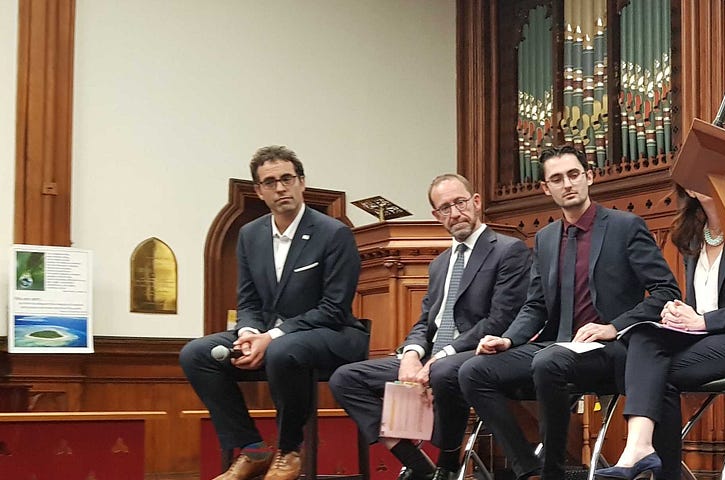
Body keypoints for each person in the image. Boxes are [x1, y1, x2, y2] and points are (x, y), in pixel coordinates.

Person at [460, 144, 680, 480]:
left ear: (589, 177)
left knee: (549, 362)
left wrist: (613, 326)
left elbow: (666, 293)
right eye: (558, 178)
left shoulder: (625, 226)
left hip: (613, 348)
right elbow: (535, 305)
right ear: (546, 188)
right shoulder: (546, 238)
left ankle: (554, 471)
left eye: (574, 174)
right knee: (473, 371)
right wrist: (507, 340)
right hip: (557, 344)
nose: (568, 183)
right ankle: (528, 468)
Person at [179, 145, 369, 480]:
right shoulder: (250, 235)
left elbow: (333, 307)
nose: (280, 187)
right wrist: (249, 333)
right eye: (270, 182)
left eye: (287, 178)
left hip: (335, 334)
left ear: (301, 182)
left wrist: (272, 337)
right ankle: (252, 449)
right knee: (196, 354)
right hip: (271, 335)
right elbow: (248, 301)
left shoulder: (333, 233)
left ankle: (288, 451)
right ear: (259, 191)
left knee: (283, 350)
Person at [328, 174, 532, 480]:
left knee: (443, 370)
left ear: (475, 202)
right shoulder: (439, 264)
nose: (455, 213)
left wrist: (442, 355)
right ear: (437, 216)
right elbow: (426, 320)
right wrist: (411, 354)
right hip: (431, 357)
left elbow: (500, 319)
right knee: (345, 378)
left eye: (460, 202)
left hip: (477, 354)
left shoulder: (508, 250)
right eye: (445, 208)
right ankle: (418, 463)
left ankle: (447, 463)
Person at [593, 187, 725, 480]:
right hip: (706, 338)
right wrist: (678, 314)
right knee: (642, 333)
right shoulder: (693, 234)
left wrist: (703, 321)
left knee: (655, 370)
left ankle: (645, 458)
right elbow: (701, 302)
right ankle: (640, 448)